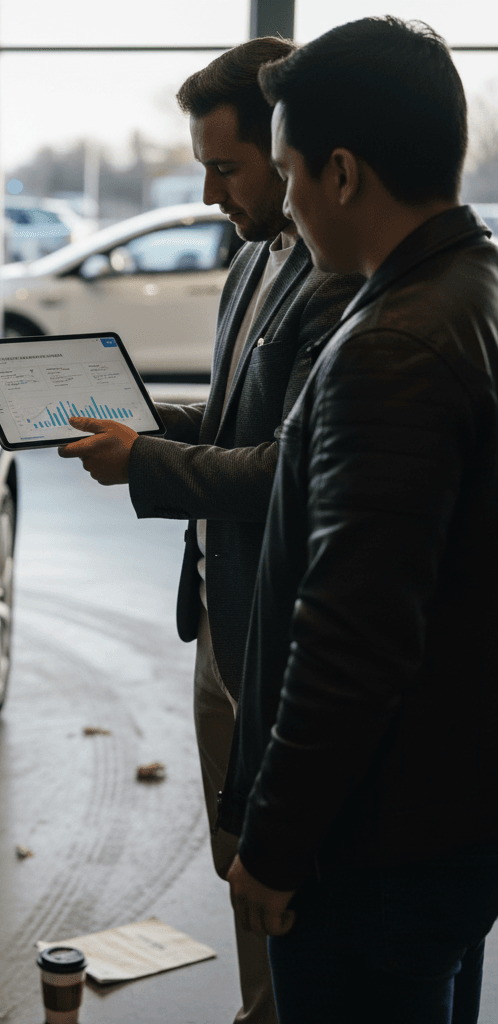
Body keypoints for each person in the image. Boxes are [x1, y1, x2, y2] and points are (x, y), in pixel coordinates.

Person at [57, 38, 362, 1024]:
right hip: (221, 624)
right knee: (239, 861)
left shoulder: (340, 285)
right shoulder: (252, 262)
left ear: (287, 153)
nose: (204, 192)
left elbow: (289, 471)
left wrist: (141, 461)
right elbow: (238, 424)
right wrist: (139, 425)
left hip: (281, 631)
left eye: (223, 168)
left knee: (288, 872)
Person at [216, 17, 498, 1024]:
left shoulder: (391, 347)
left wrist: (274, 845)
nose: (284, 201)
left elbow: (353, 639)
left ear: (340, 173)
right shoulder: (476, 288)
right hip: (451, 820)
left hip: (372, 846)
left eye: (286, 169)